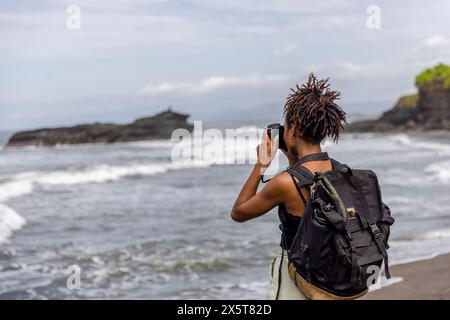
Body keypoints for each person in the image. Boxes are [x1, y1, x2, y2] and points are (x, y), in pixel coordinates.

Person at [230, 73, 347, 299]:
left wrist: (261, 164)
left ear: (293, 130)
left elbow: (239, 212)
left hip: (299, 275)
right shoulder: (339, 170)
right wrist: (292, 157)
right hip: (335, 273)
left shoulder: (285, 183)